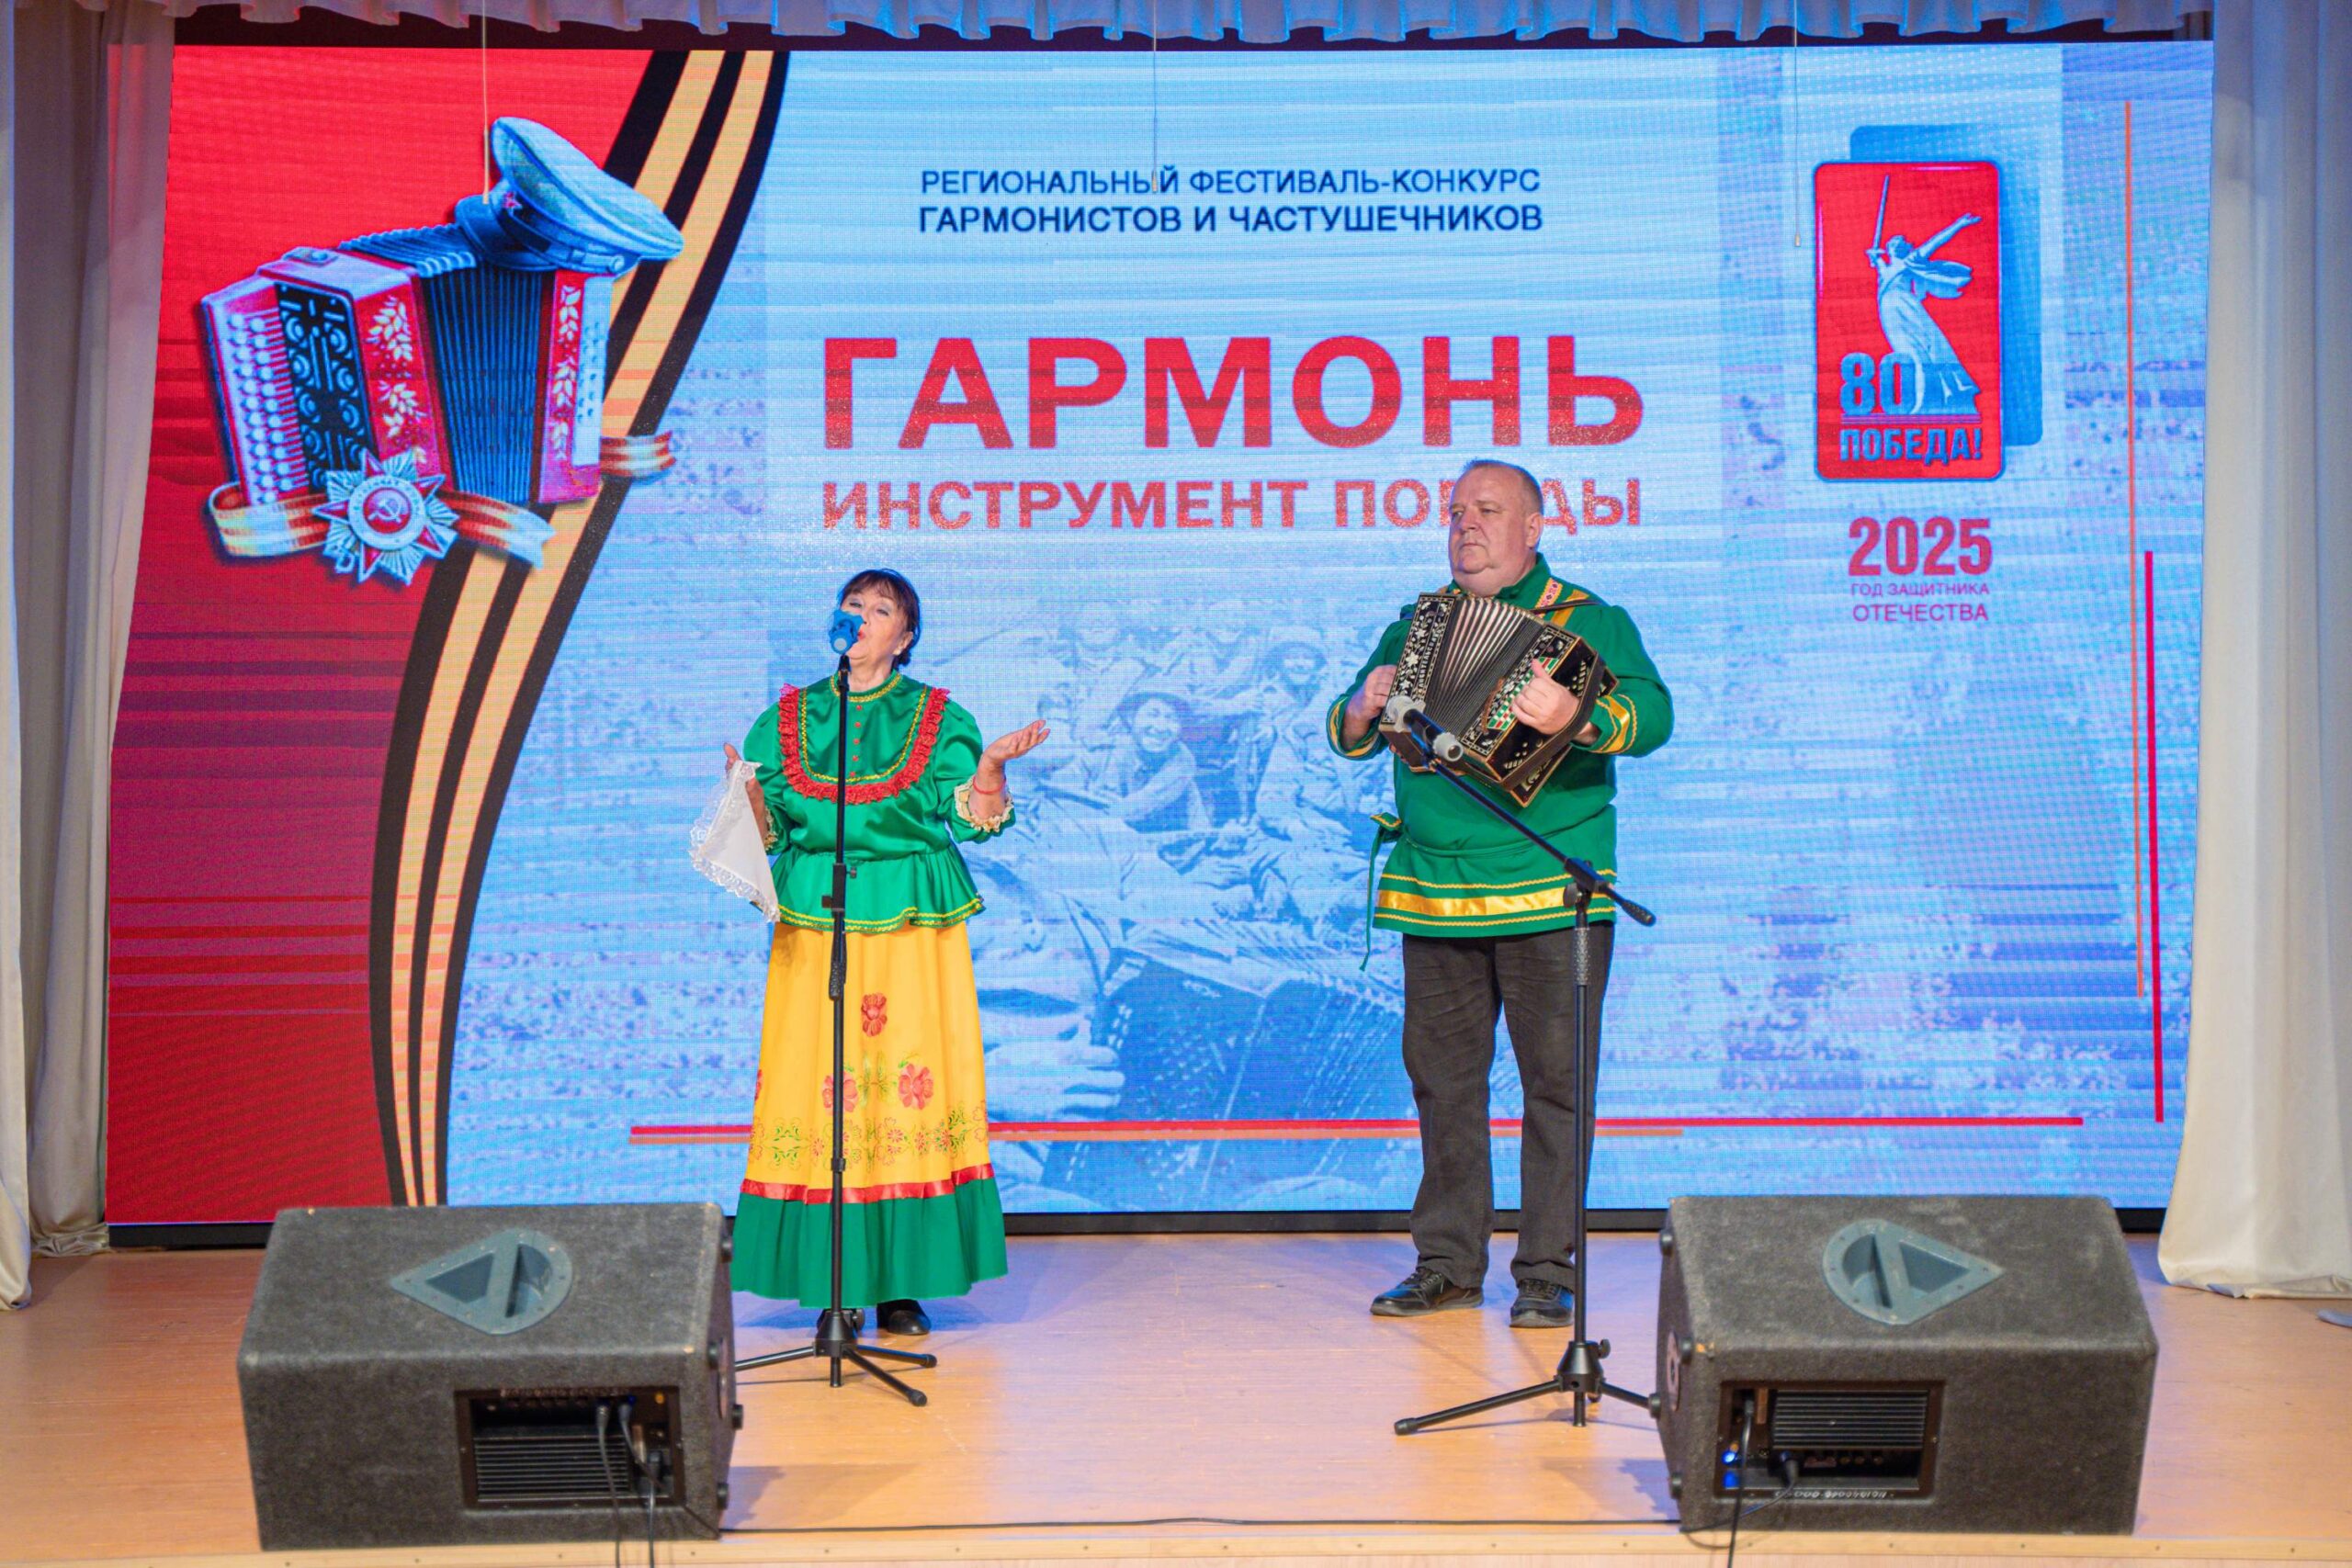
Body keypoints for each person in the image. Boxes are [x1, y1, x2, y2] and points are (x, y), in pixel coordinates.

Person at [1328, 460, 1672, 1328]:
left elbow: (1655, 716)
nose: (1465, 527)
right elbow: (1348, 731)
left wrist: (1582, 718)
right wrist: (1362, 705)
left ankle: (1548, 1272)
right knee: (1444, 1085)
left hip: (1552, 886)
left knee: (1557, 1088)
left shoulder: (1589, 619)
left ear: (1533, 527)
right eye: (1455, 514)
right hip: (1434, 889)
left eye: (1486, 510)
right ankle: (1447, 1263)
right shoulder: (1416, 625)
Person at [725, 569, 1047, 1337]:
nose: (862, 618)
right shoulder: (789, 718)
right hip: (817, 915)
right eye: (853, 606)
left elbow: (970, 819)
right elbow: (769, 834)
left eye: (880, 609)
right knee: (819, 1087)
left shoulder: (936, 717)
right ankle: (834, 1279)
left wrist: (991, 770)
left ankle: (903, 1283)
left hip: (910, 920)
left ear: (904, 639)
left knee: (908, 1087)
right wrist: (748, 798)